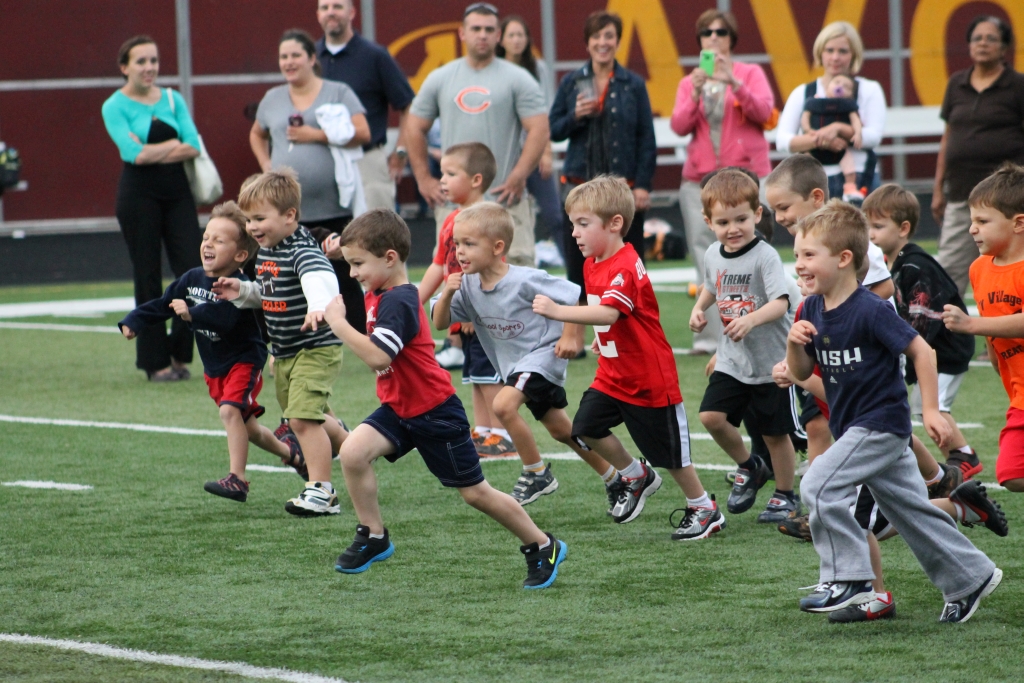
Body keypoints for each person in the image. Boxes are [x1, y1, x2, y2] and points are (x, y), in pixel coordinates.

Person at [321, 209, 567, 588]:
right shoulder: (378, 287)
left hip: (434, 412)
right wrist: (341, 251)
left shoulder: (399, 301)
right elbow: (362, 260)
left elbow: (377, 356)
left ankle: (541, 543)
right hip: (399, 408)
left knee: (475, 493)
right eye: (350, 264)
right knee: (353, 452)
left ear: (389, 259)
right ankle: (373, 535)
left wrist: (338, 323)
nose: (353, 273)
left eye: (358, 264)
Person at [788, 200, 1001, 623]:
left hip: (880, 427)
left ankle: (850, 580)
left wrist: (930, 411)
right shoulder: (812, 308)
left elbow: (921, 350)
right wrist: (794, 343)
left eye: (809, 255)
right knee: (912, 512)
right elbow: (800, 371)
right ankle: (971, 576)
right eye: (797, 255)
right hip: (854, 427)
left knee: (817, 485)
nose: (799, 264)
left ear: (844, 259)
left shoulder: (869, 308)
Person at [533, 176, 724, 541]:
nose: (574, 233)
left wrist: (558, 311)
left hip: (647, 377)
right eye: (573, 224)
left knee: (671, 454)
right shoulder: (593, 262)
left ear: (615, 223)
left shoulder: (624, 263)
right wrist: (602, 342)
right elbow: (605, 318)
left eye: (583, 224)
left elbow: (608, 313)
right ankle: (635, 474)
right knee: (585, 428)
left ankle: (704, 508)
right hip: (613, 372)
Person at [432, 202, 617, 507]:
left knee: (503, 405)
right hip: (516, 366)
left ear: (497, 247)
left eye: (468, 244)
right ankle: (616, 477)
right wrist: (449, 292)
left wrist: (571, 334)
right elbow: (440, 323)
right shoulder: (466, 285)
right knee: (561, 430)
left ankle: (536, 472)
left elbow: (574, 295)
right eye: (456, 245)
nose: (460, 252)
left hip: (542, 356)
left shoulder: (524, 279)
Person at [119, 202, 305, 500]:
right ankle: (293, 454)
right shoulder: (191, 279)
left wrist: (193, 313)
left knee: (230, 411)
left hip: (244, 361)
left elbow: (226, 320)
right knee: (250, 429)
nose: (208, 243)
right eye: (207, 237)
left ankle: (238, 480)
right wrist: (134, 321)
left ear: (240, 255)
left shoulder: (239, 285)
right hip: (215, 367)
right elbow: (164, 302)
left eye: (219, 240)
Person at [213, 170, 350, 517]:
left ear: (289, 216)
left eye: (260, 218)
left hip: (314, 347)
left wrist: (319, 306)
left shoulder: (302, 249)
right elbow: (273, 293)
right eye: (248, 219)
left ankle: (321, 490)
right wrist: (244, 291)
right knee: (302, 416)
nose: (252, 227)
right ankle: (355, 446)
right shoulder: (269, 251)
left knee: (302, 420)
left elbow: (319, 277)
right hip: (286, 350)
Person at [687, 170, 798, 523]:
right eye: (723, 222)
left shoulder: (765, 256)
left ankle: (785, 494)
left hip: (771, 362)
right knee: (710, 416)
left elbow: (781, 302)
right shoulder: (713, 253)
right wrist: (698, 308)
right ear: (708, 222)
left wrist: (751, 319)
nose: (733, 228)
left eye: (741, 219)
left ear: (757, 215)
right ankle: (750, 466)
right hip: (733, 360)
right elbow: (711, 284)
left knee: (774, 432)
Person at [405, 2, 550, 268]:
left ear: (498, 36)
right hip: (455, 207)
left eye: (489, 29)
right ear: (462, 33)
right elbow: (414, 126)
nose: (482, 35)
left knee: (516, 284)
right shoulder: (441, 77)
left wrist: (518, 176)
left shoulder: (519, 78)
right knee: (452, 283)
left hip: (506, 203)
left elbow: (539, 127)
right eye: (475, 29)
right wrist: (424, 178)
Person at [549, 11, 656, 355]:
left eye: (609, 36)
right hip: (579, 186)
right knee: (576, 264)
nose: (603, 43)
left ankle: (634, 329)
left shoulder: (633, 84)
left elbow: (646, 138)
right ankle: (575, 337)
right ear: (587, 42)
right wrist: (576, 115)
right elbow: (553, 129)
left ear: (617, 41)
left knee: (630, 260)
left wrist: (642, 185)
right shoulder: (571, 81)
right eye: (596, 37)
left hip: (622, 192)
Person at [250, 28, 371, 332]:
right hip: (285, 213)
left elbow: (363, 133)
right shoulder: (272, 98)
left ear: (312, 58)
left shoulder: (337, 91)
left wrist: (315, 135)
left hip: (332, 204)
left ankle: (359, 335)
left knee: (345, 271)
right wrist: (266, 164)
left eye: (295, 55)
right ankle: (294, 331)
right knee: (285, 273)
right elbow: (257, 132)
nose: (289, 62)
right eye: (283, 56)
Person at [670, 9, 776, 355]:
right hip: (700, 178)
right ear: (699, 41)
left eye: (720, 32)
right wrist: (695, 94)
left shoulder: (749, 73)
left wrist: (736, 84)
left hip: (745, 175)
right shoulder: (690, 81)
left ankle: (759, 326)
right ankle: (709, 338)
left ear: (731, 39)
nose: (713, 38)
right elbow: (679, 126)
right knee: (706, 254)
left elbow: (765, 113)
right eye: (706, 33)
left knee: (755, 248)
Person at [102, 36, 202, 382]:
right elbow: (135, 156)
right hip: (137, 196)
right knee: (147, 276)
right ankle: (154, 362)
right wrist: (172, 144)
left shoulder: (173, 98)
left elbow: (194, 146)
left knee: (192, 271)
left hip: (178, 194)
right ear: (124, 67)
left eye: (154, 61)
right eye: (141, 61)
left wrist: (163, 148)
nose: (149, 68)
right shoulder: (114, 106)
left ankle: (180, 355)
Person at [864, 184, 981, 476]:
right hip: (933, 350)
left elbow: (921, 317)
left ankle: (962, 457)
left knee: (932, 405)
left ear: (903, 228)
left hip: (946, 349)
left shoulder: (915, 265)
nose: (870, 234)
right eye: (868, 227)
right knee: (926, 406)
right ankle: (959, 457)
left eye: (878, 226)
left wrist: (901, 353)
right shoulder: (898, 264)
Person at [416, 142, 514, 457]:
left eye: (450, 173)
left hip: (483, 314)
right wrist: (414, 300)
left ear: (475, 180)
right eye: (442, 172)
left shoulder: (489, 218)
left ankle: (502, 434)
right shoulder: (450, 219)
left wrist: (476, 312)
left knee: (489, 374)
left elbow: (496, 270)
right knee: (474, 374)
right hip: (461, 314)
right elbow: (438, 264)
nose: (442, 180)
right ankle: (483, 431)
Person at [942, 162, 1024, 495]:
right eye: (971, 220)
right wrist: (994, 356)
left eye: (982, 221)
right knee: (1011, 473)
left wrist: (972, 324)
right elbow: (997, 328)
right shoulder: (979, 269)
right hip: (1017, 390)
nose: (972, 229)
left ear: (1018, 223)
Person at [933, 16, 1024, 296]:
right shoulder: (956, 83)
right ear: (969, 45)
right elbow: (948, 138)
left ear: (1004, 47)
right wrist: (938, 189)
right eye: (977, 38)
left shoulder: (1018, 85)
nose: (983, 43)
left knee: (1010, 267)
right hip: (962, 195)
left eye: (991, 38)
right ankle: (946, 336)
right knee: (947, 272)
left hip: (1007, 201)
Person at [314, 0, 416, 212]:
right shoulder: (309, 58)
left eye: (337, 7)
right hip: (321, 161)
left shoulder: (375, 56)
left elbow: (408, 105)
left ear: (352, 12)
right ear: (318, 15)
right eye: (325, 8)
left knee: (376, 237)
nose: (331, 13)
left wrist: (401, 152)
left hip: (367, 161)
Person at [776, 22, 886, 204]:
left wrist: (838, 128)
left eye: (843, 51)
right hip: (815, 180)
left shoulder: (869, 89)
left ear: (854, 54)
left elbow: (873, 137)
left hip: (859, 179)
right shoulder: (804, 92)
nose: (835, 57)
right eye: (829, 50)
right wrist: (821, 140)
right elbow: (783, 141)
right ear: (820, 52)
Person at [497, 15, 563, 253]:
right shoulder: (493, 70)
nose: (516, 40)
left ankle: (576, 274)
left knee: (555, 215)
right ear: (501, 39)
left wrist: (545, 153)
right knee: (504, 219)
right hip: (503, 158)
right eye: (511, 35)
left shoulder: (538, 68)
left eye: (520, 35)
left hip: (533, 153)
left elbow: (545, 111)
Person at [801, 73, 864, 203]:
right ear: (827, 86)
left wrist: (858, 133)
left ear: (851, 94)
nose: (840, 87)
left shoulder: (848, 106)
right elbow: (805, 118)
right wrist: (808, 130)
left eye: (846, 86)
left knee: (849, 166)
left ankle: (850, 188)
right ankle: (804, 188)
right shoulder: (814, 102)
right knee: (805, 164)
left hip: (839, 149)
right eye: (837, 82)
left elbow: (856, 121)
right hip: (815, 146)